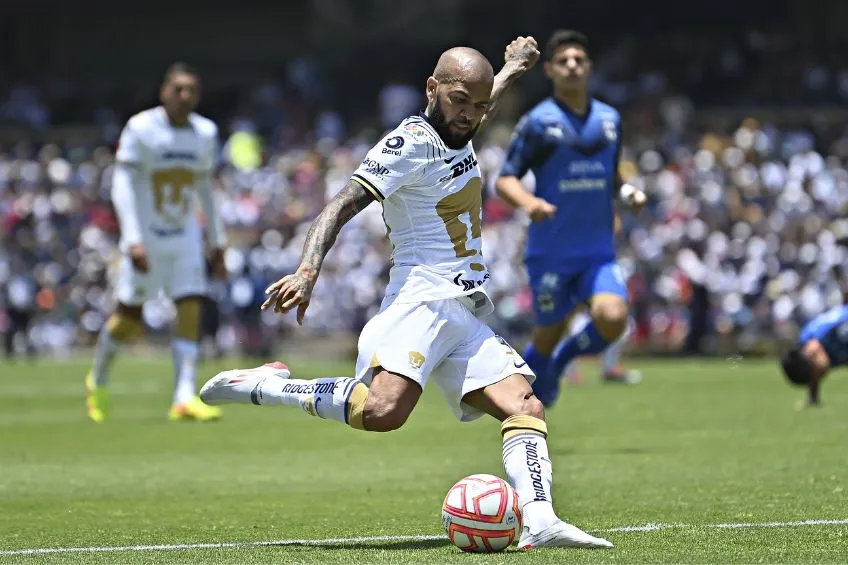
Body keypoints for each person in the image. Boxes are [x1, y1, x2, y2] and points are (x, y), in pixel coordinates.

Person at [200, 38, 612, 550]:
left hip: (462, 307)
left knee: (524, 404)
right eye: (460, 100)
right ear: (431, 89)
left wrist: (509, 69)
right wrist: (308, 270)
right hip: (419, 301)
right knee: (383, 413)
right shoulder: (407, 144)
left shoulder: (461, 122)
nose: (469, 115)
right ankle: (263, 385)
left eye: (479, 106)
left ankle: (541, 520)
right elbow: (341, 204)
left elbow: (484, 96)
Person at [495, 30, 645, 407]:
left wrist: (627, 192)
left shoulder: (610, 119)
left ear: (590, 67)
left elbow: (611, 174)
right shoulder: (539, 122)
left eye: (579, 59)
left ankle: (563, 360)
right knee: (546, 336)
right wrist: (529, 203)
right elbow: (505, 178)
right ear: (549, 70)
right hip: (552, 250)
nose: (572, 66)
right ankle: (521, 413)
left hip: (597, 251)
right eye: (564, 61)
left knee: (613, 317)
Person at [85, 63, 227, 423]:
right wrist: (132, 239)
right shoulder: (142, 128)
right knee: (128, 319)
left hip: (183, 237)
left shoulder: (205, 132)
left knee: (190, 305)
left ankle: (183, 396)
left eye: (191, 90)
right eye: (178, 89)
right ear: (163, 91)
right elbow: (123, 185)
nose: (184, 96)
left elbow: (205, 189)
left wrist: (217, 240)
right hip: (146, 238)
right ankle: (97, 378)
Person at [780, 304, 848, 407]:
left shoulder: (838, 332)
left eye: (819, 373)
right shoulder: (808, 343)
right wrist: (813, 399)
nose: (823, 374)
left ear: (812, 354)